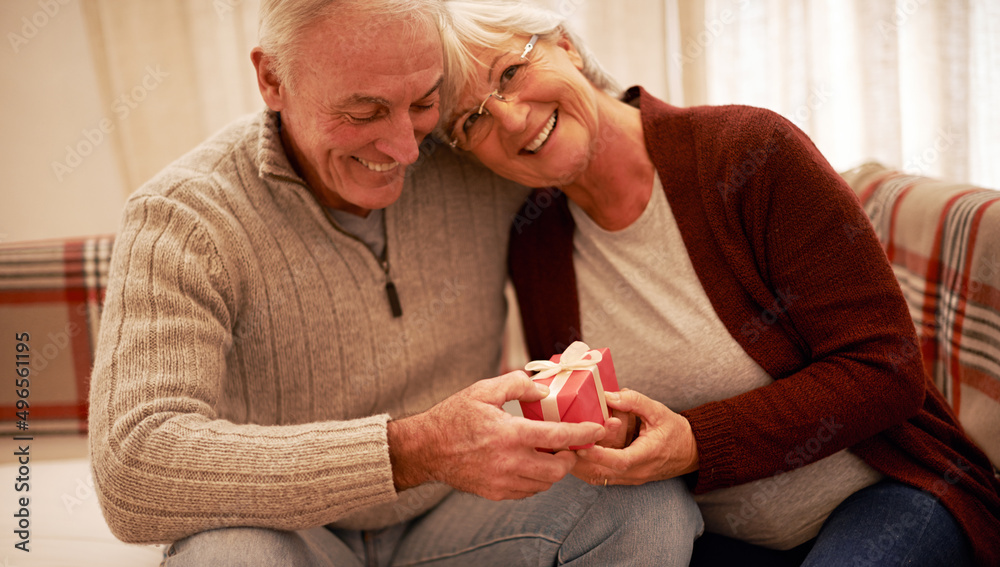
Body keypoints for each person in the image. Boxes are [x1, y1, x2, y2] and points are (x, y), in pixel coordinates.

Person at [88, 1, 703, 565]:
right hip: (292, 534)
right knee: (226, 558)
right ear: (273, 79)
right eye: (364, 112)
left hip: (458, 519)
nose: (407, 148)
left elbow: (581, 129)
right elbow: (133, 464)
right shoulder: (184, 216)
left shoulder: (469, 147)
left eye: (424, 103)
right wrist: (413, 450)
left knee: (644, 507)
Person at [436, 1, 1000, 565]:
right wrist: (619, 433)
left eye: (510, 72)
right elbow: (598, 420)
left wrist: (696, 443)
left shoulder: (750, 151)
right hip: (714, 535)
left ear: (566, 44)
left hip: (886, 493)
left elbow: (887, 368)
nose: (510, 119)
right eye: (472, 120)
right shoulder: (536, 244)